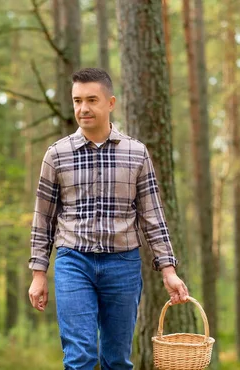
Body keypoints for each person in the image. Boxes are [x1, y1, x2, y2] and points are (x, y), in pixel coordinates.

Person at [28, 67, 189, 370]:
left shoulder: (136, 153)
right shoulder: (56, 155)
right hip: (73, 263)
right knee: (80, 357)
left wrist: (168, 270)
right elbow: (43, 218)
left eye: (92, 100)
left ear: (110, 103)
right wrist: (38, 273)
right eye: (77, 101)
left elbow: (152, 216)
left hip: (123, 265)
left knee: (117, 360)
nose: (83, 108)